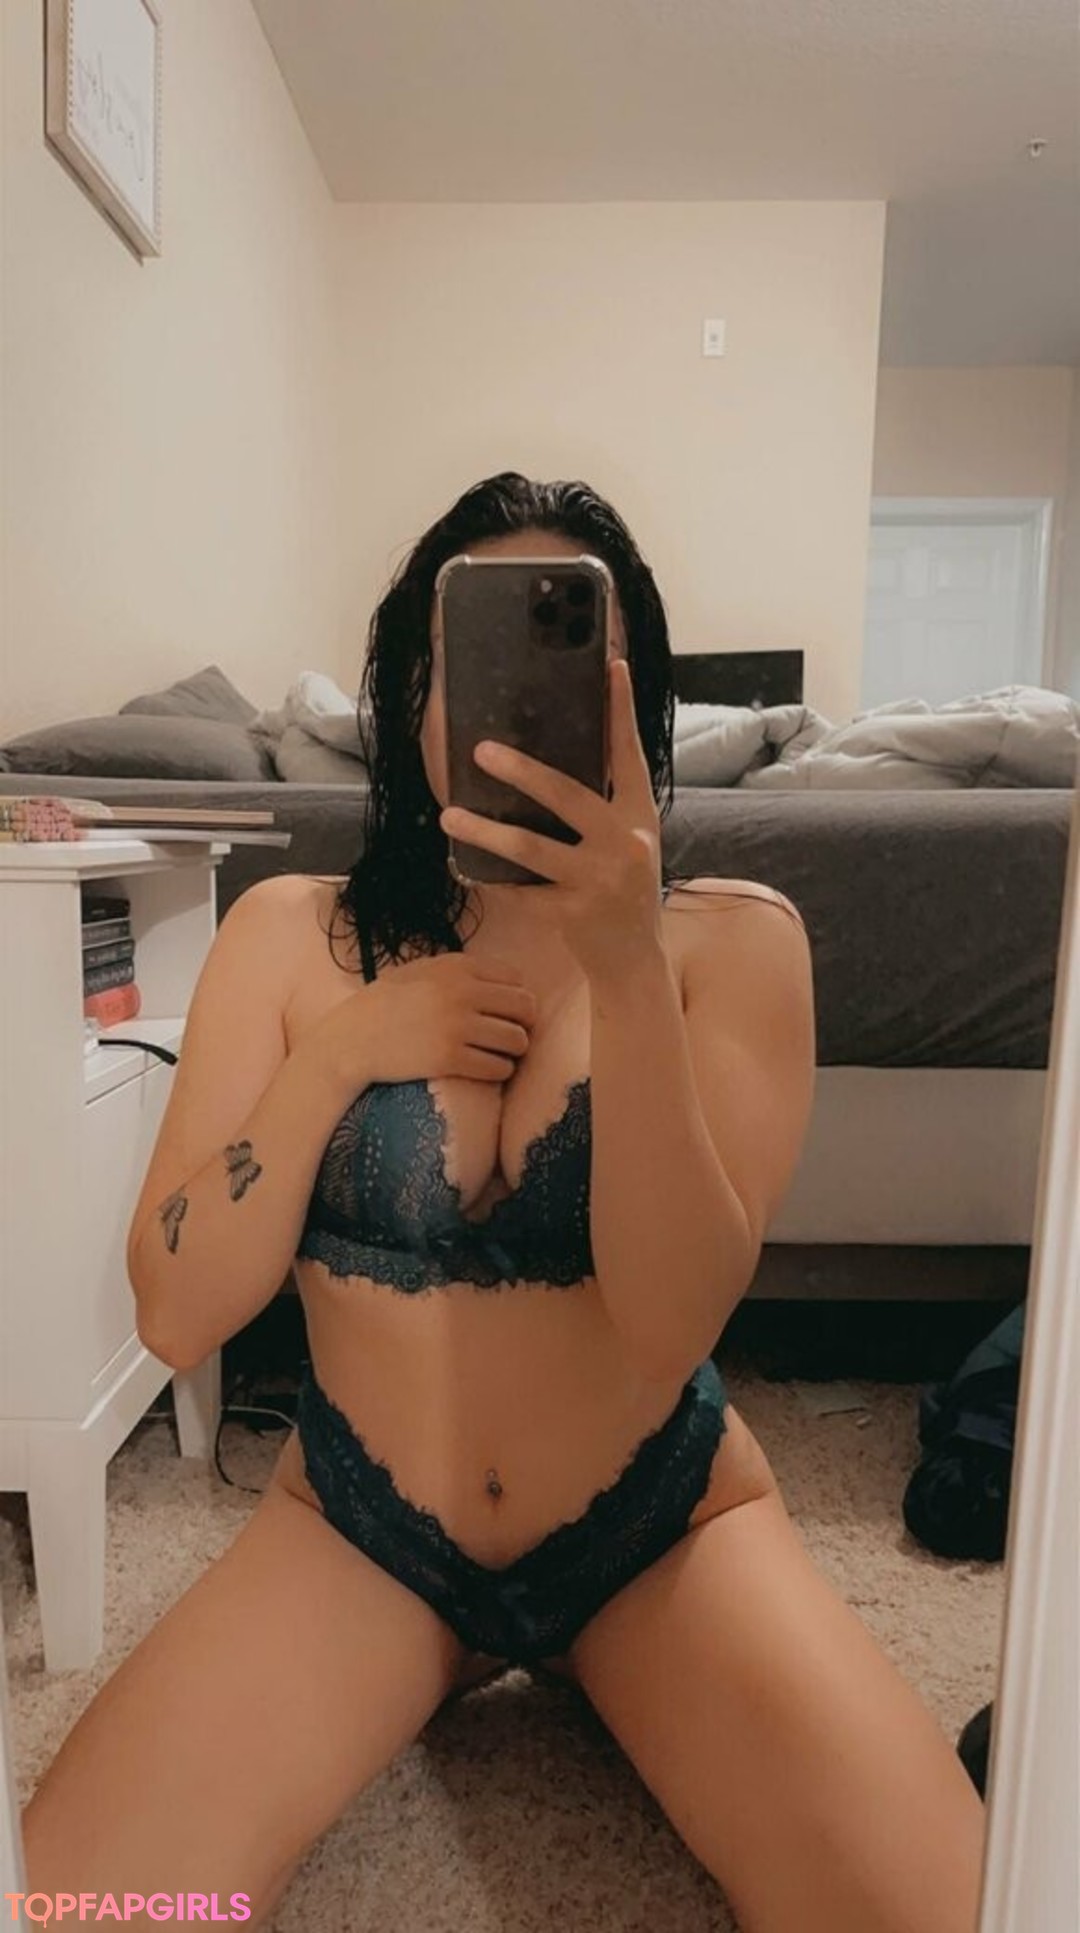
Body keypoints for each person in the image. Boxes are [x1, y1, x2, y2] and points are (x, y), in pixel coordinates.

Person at [23, 474, 987, 1931]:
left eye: (568, 655)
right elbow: (174, 1309)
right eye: (456, 654)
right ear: (410, 693)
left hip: (658, 1529)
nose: (503, 702)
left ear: (634, 702)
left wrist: (624, 964)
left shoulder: (736, 945)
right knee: (82, 1913)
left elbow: (667, 1323)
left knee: (951, 1912)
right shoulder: (289, 932)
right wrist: (339, 1056)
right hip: (360, 1529)